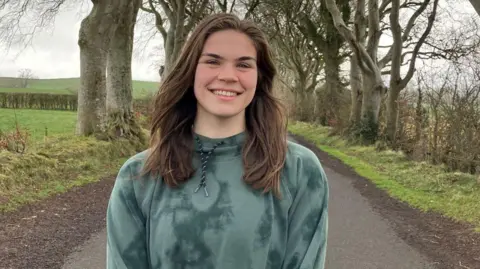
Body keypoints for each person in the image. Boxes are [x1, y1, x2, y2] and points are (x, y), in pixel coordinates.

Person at [106, 13, 329, 269]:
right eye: (213, 61)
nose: (228, 75)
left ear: (259, 78)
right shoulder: (138, 176)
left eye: (244, 65)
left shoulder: (299, 170)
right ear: (191, 71)